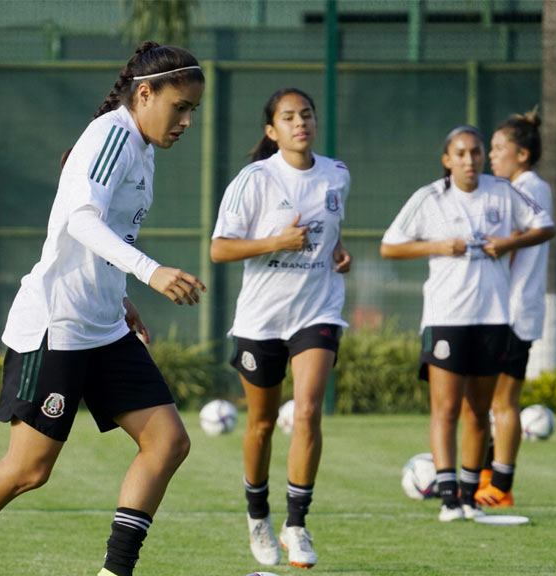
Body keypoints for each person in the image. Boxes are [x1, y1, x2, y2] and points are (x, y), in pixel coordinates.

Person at [0, 42, 207, 576]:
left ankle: (115, 573)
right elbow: (81, 222)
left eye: (192, 112)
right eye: (179, 106)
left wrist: (122, 295)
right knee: (28, 469)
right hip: (56, 326)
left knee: (167, 442)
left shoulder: (143, 149)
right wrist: (149, 271)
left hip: (104, 324)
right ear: (144, 93)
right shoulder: (113, 135)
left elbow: (106, 236)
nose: (185, 121)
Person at [380, 125, 554, 522]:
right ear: (447, 160)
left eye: (476, 152)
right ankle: (447, 497)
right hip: (446, 318)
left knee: (479, 412)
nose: (470, 160)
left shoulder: (503, 191)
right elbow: (390, 246)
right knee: (445, 410)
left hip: (493, 317)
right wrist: (439, 246)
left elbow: (545, 226)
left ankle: (471, 495)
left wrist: (509, 243)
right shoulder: (430, 198)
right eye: (460, 153)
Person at [210, 88, 352, 569]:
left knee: (308, 410)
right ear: (272, 131)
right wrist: (278, 241)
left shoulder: (337, 174)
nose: (300, 123)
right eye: (288, 117)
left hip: (318, 311)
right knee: (263, 423)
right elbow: (220, 249)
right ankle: (257, 518)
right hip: (261, 318)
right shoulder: (254, 180)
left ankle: (297, 524)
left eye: (306, 114)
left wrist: (338, 252)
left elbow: (333, 230)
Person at [464, 110, 553, 508]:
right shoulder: (513, 186)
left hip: (516, 311)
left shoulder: (530, 185)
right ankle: (484, 477)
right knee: (485, 401)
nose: (492, 156)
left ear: (522, 155)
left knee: (503, 402)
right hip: (500, 311)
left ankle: (500, 486)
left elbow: (527, 232)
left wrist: (501, 245)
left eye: (500, 149)